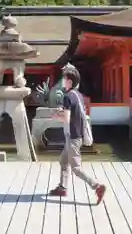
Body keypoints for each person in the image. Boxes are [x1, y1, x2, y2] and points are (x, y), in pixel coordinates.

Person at [49, 68, 106, 204]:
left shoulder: (67, 97)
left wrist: (56, 115)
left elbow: (67, 119)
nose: (62, 82)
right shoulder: (78, 95)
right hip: (77, 135)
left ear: (69, 82)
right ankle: (63, 187)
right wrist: (61, 111)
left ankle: (97, 186)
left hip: (73, 137)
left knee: (76, 168)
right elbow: (74, 114)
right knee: (63, 160)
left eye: (63, 80)